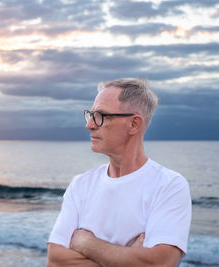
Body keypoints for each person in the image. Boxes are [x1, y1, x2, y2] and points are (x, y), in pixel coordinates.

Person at [47, 78, 192, 266]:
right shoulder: (81, 184)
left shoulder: (169, 185)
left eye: (101, 116)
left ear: (133, 124)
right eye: (90, 114)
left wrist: (86, 243)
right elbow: (55, 261)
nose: (89, 124)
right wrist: (129, 256)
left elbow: (160, 263)